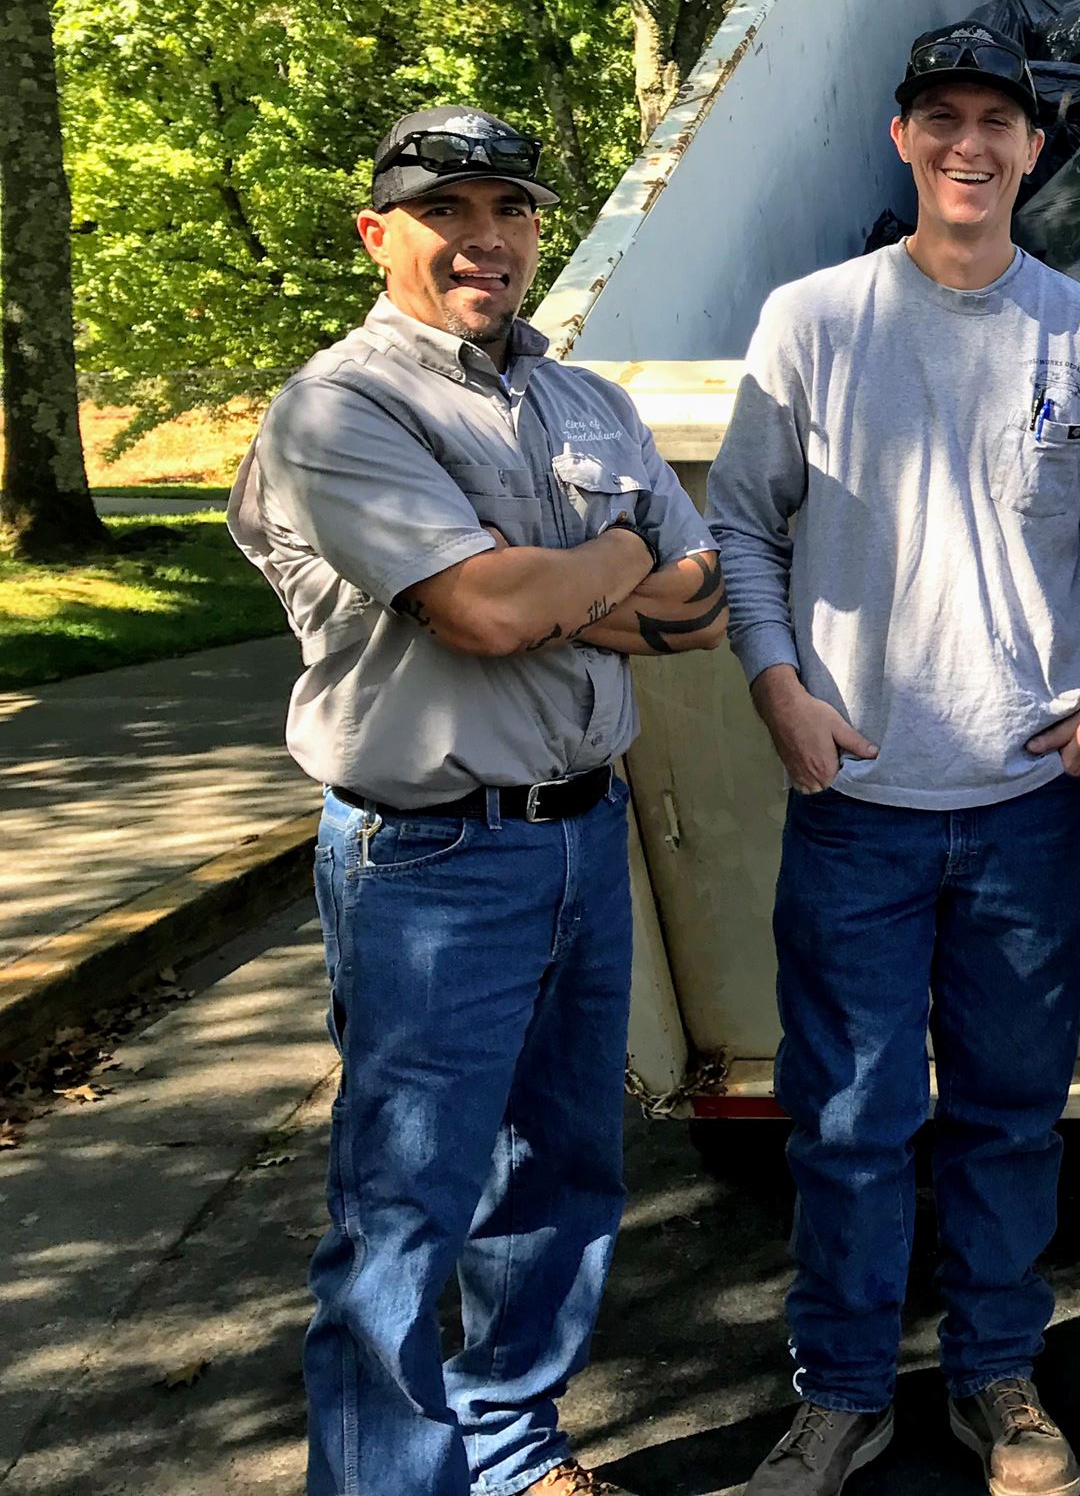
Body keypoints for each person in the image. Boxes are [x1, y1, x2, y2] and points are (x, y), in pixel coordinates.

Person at [228, 105, 729, 1496]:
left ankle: (515, 1453)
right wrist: (612, 547)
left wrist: (542, 583)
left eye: (509, 207)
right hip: (430, 858)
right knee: (404, 1210)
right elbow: (485, 609)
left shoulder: (586, 399)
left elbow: (696, 611)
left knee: (562, 1177)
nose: (485, 237)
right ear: (377, 232)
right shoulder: (341, 407)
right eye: (448, 209)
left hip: (582, 834)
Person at [707, 26, 1080, 1496]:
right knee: (846, 1122)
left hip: (1028, 809)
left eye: (998, 122)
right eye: (941, 118)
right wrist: (776, 684)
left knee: (1013, 1118)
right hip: (858, 810)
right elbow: (745, 527)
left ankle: (999, 1380)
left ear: (1034, 149)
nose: (971, 143)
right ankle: (838, 1393)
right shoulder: (814, 322)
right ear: (903, 140)